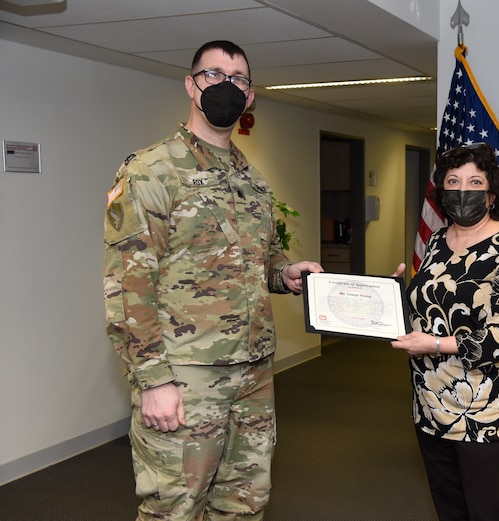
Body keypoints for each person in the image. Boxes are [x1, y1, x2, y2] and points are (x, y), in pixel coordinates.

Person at [103, 40, 322, 520]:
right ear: (191, 83)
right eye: (214, 74)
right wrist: (153, 381)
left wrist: (285, 272)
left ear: (250, 97)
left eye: (239, 79)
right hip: (186, 377)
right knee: (175, 507)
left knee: (243, 502)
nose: (227, 85)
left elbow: (257, 260)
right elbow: (129, 286)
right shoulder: (151, 170)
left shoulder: (252, 178)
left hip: (253, 372)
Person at [391, 142, 499, 521]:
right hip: (431, 403)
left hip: (490, 408)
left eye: (475, 181)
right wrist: (391, 295)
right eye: (454, 180)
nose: (463, 190)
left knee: (488, 513)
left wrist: (437, 344)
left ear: (491, 194)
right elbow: (428, 308)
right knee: (451, 511)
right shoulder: (439, 241)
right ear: (441, 190)